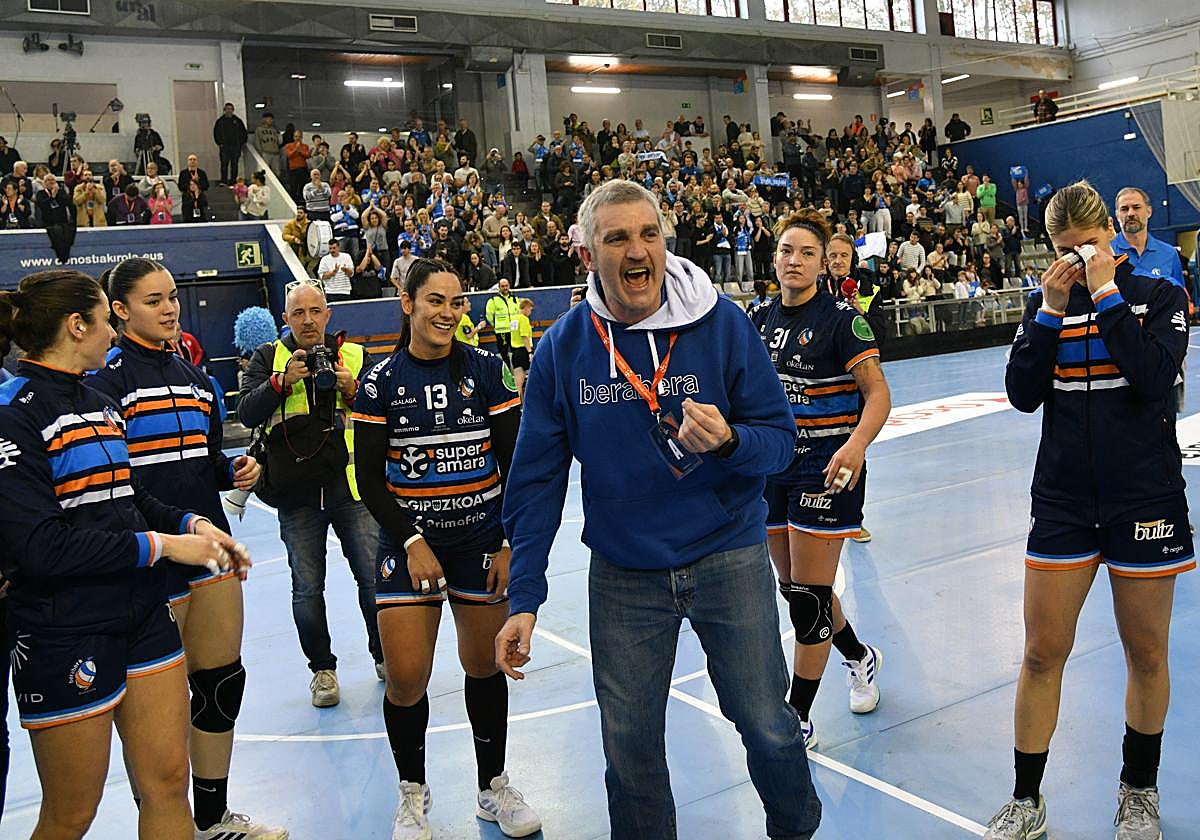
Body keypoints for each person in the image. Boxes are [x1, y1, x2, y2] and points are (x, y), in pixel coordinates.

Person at [495, 180, 822, 840]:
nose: (637, 250)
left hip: (727, 554)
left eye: (649, 235)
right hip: (624, 573)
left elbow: (781, 443)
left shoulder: (721, 322)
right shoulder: (563, 348)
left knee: (767, 724)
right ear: (589, 256)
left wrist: (729, 441)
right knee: (630, 751)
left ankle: (796, 828)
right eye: (617, 238)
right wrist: (524, 597)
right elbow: (535, 484)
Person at [0, 269, 249, 839]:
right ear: (75, 324)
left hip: (141, 614)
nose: (113, 332)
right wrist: (164, 545)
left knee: (167, 785)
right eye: (106, 319)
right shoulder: (16, 413)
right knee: (72, 812)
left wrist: (193, 523)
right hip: (65, 629)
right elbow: (40, 548)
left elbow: (128, 495)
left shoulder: (97, 405)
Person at [985, 180, 1193, 840]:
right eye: (1065, 250)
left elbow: (1153, 379)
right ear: (1050, 247)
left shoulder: (1158, 296)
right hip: (1064, 501)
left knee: (1147, 654)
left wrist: (1105, 294)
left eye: (1089, 245)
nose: (1078, 259)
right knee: (1042, 652)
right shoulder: (1046, 302)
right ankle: (1026, 799)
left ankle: (1139, 792)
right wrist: (1047, 313)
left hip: (1145, 497)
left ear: (1111, 230)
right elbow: (1021, 393)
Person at [87, 258, 287, 840]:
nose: (170, 307)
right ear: (119, 311)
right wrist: (176, 533)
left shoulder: (198, 380)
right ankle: (166, 817)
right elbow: (119, 480)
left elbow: (201, 460)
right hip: (153, 557)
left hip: (211, 550)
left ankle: (212, 817)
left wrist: (235, 469)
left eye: (172, 296)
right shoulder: (104, 382)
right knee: (160, 703)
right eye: (153, 300)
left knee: (221, 680)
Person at [351, 258, 540, 840]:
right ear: (407, 303)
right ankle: (413, 794)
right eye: (435, 300)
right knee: (406, 679)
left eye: (457, 302)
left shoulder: (486, 370)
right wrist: (411, 539)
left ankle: (493, 788)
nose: (448, 313)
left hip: (482, 539)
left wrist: (510, 542)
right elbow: (369, 474)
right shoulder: (378, 381)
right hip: (409, 546)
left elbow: (517, 463)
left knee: (484, 666)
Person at [751, 212, 891, 750]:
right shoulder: (758, 318)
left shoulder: (841, 320)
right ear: (775, 257)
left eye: (807, 252)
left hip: (827, 469)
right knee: (796, 589)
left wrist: (854, 446)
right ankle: (858, 655)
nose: (795, 260)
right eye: (787, 250)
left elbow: (877, 395)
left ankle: (797, 714)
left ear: (821, 261)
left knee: (808, 596)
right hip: (772, 469)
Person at [237, 280, 384, 706]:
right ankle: (322, 671)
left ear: (328, 314)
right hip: (296, 493)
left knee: (373, 580)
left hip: (352, 488)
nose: (308, 320)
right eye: (298, 313)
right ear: (285, 319)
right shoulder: (268, 357)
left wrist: (352, 389)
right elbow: (246, 411)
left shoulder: (354, 356)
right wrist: (281, 383)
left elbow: (386, 408)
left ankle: (384, 656)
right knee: (307, 588)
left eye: (315, 311)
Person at [35, 173, 75, 263]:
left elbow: (67, 202)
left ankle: (65, 256)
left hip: (62, 221)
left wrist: (56, 194)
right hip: (48, 222)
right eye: (48, 180)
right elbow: (43, 205)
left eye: (52, 180)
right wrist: (52, 196)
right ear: (44, 183)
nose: (51, 182)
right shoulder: (40, 193)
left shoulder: (61, 192)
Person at [484, 278, 521, 368]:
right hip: (502, 332)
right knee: (504, 353)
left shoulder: (515, 299)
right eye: (502, 286)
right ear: (499, 287)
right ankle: (507, 371)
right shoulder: (493, 300)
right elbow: (489, 316)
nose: (505, 288)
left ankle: (516, 370)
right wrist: (496, 325)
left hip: (514, 331)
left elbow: (519, 314)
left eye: (506, 286)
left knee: (516, 351)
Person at [213, 102, 248, 185]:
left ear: (233, 110)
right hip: (224, 147)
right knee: (224, 165)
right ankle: (223, 181)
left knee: (234, 165)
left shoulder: (238, 121)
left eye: (230, 109)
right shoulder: (220, 122)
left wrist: (241, 144)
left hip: (235, 147)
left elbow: (244, 133)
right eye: (227, 109)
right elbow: (216, 133)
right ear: (224, 110)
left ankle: (233, 181)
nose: (229, 111)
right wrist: (219, 143)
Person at [508, 297, 534, 399]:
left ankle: (518, 402)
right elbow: (524, 336)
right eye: (530, 309)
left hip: (515, 351)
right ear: (526, 307)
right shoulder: (523, 319)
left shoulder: (514, 319)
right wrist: (530, 352)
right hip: (523, 351)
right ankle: (520, 402)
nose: (530, 312)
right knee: (522, 381)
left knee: (517, 381)